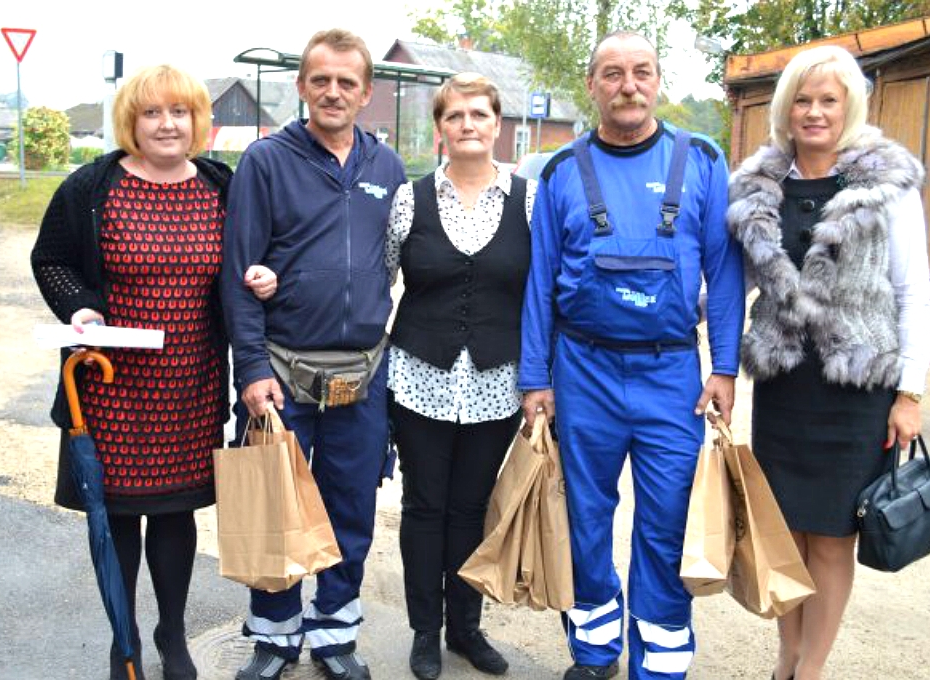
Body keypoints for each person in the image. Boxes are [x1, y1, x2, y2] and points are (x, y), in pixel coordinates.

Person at [519, 31, 745, 680]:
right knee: (585, 520)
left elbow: (726, 274)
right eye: (613, 74)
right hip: (582, 372)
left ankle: (661, 665)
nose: (628, 86)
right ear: (591, 86)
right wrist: (536, 376)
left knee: (667, 525)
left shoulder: (700, 160)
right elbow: (540, 283)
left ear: (658, 81)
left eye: (641, 72)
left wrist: (724, 367)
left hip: (670, 375)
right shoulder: (562, 170)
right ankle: (593, 654)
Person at [727, 45, 930, 680]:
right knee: (786, 533)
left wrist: (909, 393)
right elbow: (728, 283)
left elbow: (910, 292)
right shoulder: (756, 189)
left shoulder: (886, 188)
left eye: (828, 100)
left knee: (834, 536)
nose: (814, 112)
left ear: (850, 107)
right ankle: (786, 658)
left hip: (857, 386)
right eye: (803, 101)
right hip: (786, 387)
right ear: (785, 110)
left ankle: (810, 669)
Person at [31, 64, 235, 680]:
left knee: (175, 514)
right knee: (116, 517)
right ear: (131, 122)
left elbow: (255, 256)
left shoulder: (224, 187)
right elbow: (51, 259)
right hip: (111, 389)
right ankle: (125, 643)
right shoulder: (92, 187)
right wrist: (79, 306)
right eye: (152, 112)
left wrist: (262, 278)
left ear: (198, 120)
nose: (166, 124)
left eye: (178, 112)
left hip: (190, 385)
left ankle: (172, 636)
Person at [221, 28, 405, 680]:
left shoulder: (387, 168)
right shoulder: (266, 161)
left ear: (366, 92)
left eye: (346, 82)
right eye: (320, 80)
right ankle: (274, 639)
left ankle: (335, 634)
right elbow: (239, 272)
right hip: (280, 371)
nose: (333, 92)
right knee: (274, 512)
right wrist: (249, 368)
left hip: (362, 378)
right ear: (302, 86)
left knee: (349, 507)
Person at [386, 72, 535, 680]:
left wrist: (540, 382)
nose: (468, 125)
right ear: (441, 128)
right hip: (419, 376)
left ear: (497, 125)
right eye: (455, 116)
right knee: (425, 507)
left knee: (472, 508)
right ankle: (425, 630)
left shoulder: (528, 199)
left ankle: (466, 628)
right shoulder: (410, 199)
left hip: (497, 383)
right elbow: (375, 280)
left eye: (479, 114)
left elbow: (544, 293)